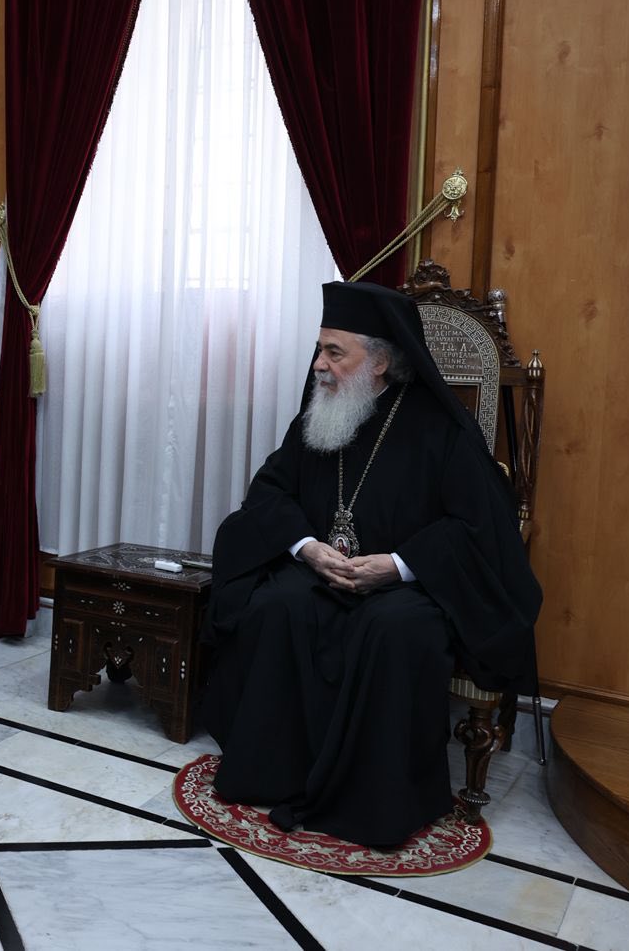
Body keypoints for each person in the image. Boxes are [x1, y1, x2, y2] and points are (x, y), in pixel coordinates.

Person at [197, 281, 542, 847]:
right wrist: (307, 548)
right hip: (321, 574)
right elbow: (270, 493)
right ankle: (271, 771)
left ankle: (370, 800)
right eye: (319, 350)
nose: (319, 365)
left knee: (393, 629)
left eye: (334, 352)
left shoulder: (440, 430)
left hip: (408, 589)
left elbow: (479, 529)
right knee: (276, 606)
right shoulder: (318, 418)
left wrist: (400, 565)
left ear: (380, 361)